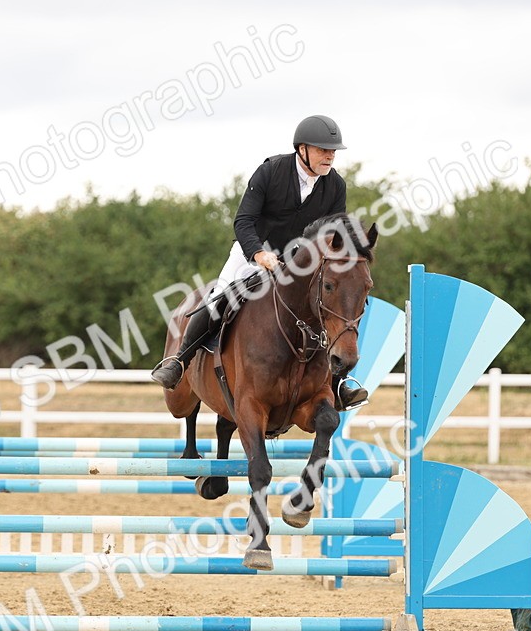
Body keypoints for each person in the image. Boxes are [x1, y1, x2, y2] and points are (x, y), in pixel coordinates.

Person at [151, 115, 368, 410]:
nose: (330, 156)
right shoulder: (270, 172)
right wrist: (259, 254)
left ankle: (337, 383)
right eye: (323, 149)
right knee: (218, 299)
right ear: (302, 149)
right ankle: (180, 361)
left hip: (299, 264)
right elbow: (244, 221)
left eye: (333, 151)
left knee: (328, 306)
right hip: (252, 253)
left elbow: (334, 235)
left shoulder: (335, 186)